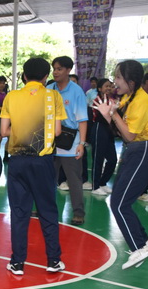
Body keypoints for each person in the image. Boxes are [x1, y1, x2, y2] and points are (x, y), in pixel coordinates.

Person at [0, 57, 67, 276]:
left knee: (19, 212)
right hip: (42, 161)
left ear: (25, 76)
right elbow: (57, 131)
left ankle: (17, 263)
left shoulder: (11, 96)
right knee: (47, 210)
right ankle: (53, 260)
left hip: (17, 162)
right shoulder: (53, 96)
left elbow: (4, 131)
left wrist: (21, 131)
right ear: (46, 76)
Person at [93, 60, 148, 270]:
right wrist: (109, 115)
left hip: (144, 150)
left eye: (118, 77)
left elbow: (130, 135)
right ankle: (145, 240)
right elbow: (121, 130)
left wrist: (112, 114)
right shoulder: (128, 98)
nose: (115, 82)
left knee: (119, 204)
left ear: (131, 81)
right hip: (135, 151)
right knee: (121, 199)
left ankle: (139, 247)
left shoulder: (141, 101)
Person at [47, 56, 89, 225]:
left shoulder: (76, 91)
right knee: (47, 178)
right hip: (50, 141)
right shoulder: (49, 89)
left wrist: (82, 144)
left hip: (71, 142)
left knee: (74, 180)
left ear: (68, 70)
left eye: (59, 69)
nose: (55, 72)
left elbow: (82, 120)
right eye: (54, 69)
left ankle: (78, 212)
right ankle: (44, 208)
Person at [89, 78, 117, 196]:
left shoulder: (112, 100)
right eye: (106, 86)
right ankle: (95, 186)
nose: (109, 88)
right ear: (100, 89)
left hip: (109, 130)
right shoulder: (97, 101)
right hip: (99, 128)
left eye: (110, 86)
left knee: (113, 159)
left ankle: (102, 182)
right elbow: (99, 116)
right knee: (98, 158)